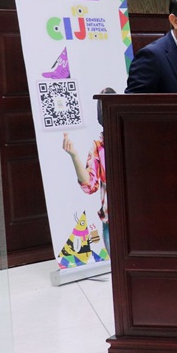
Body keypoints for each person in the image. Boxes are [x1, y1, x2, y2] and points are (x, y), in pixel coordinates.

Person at [61, 87, 115, 253]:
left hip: (137, 217)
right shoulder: (99, 147)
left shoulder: (133, 138)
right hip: (111, 222)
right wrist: (74, 155)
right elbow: (89, 185)